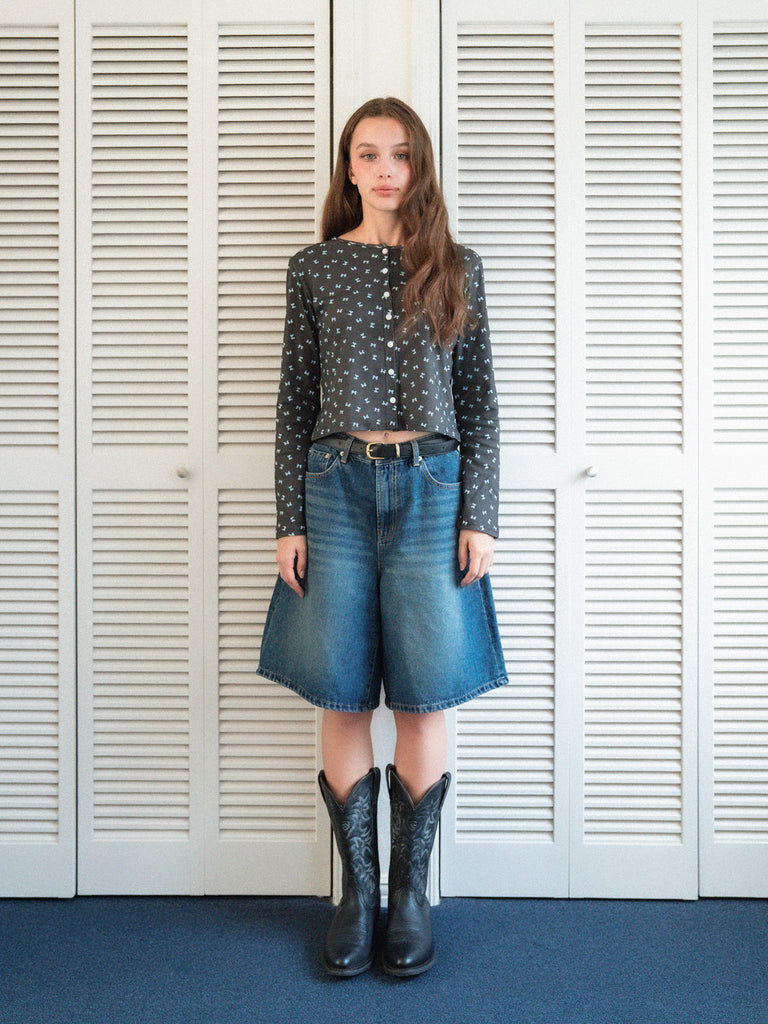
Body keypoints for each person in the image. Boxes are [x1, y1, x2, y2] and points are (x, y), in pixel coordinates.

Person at [257, 96, 508, 978]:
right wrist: (288, 520)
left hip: (433, 493)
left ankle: (409, 899)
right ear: (349, 169)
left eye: (400, 154)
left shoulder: (456, 267)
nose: (385, 169)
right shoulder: (315, 268)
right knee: (340, 692)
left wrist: (481, 515)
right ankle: (356, 898)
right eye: (368, 154)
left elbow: (480, 401)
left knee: (424, 696)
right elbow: (293, 402)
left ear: (419, 165)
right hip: (335, 490)